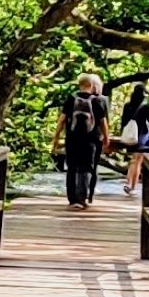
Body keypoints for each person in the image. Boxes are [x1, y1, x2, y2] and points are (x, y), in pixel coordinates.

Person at [59, 73, 106, 207]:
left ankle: (72, 199)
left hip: (72, 139)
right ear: (91, 86)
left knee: (72, 167)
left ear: (79, 85)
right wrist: (106, 138)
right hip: (91, 140)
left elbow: (62, 119)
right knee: (86, 168)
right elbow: (103, 122)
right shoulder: (96, 101)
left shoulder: (71, 99)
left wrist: (56, 137)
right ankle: (82, 198)